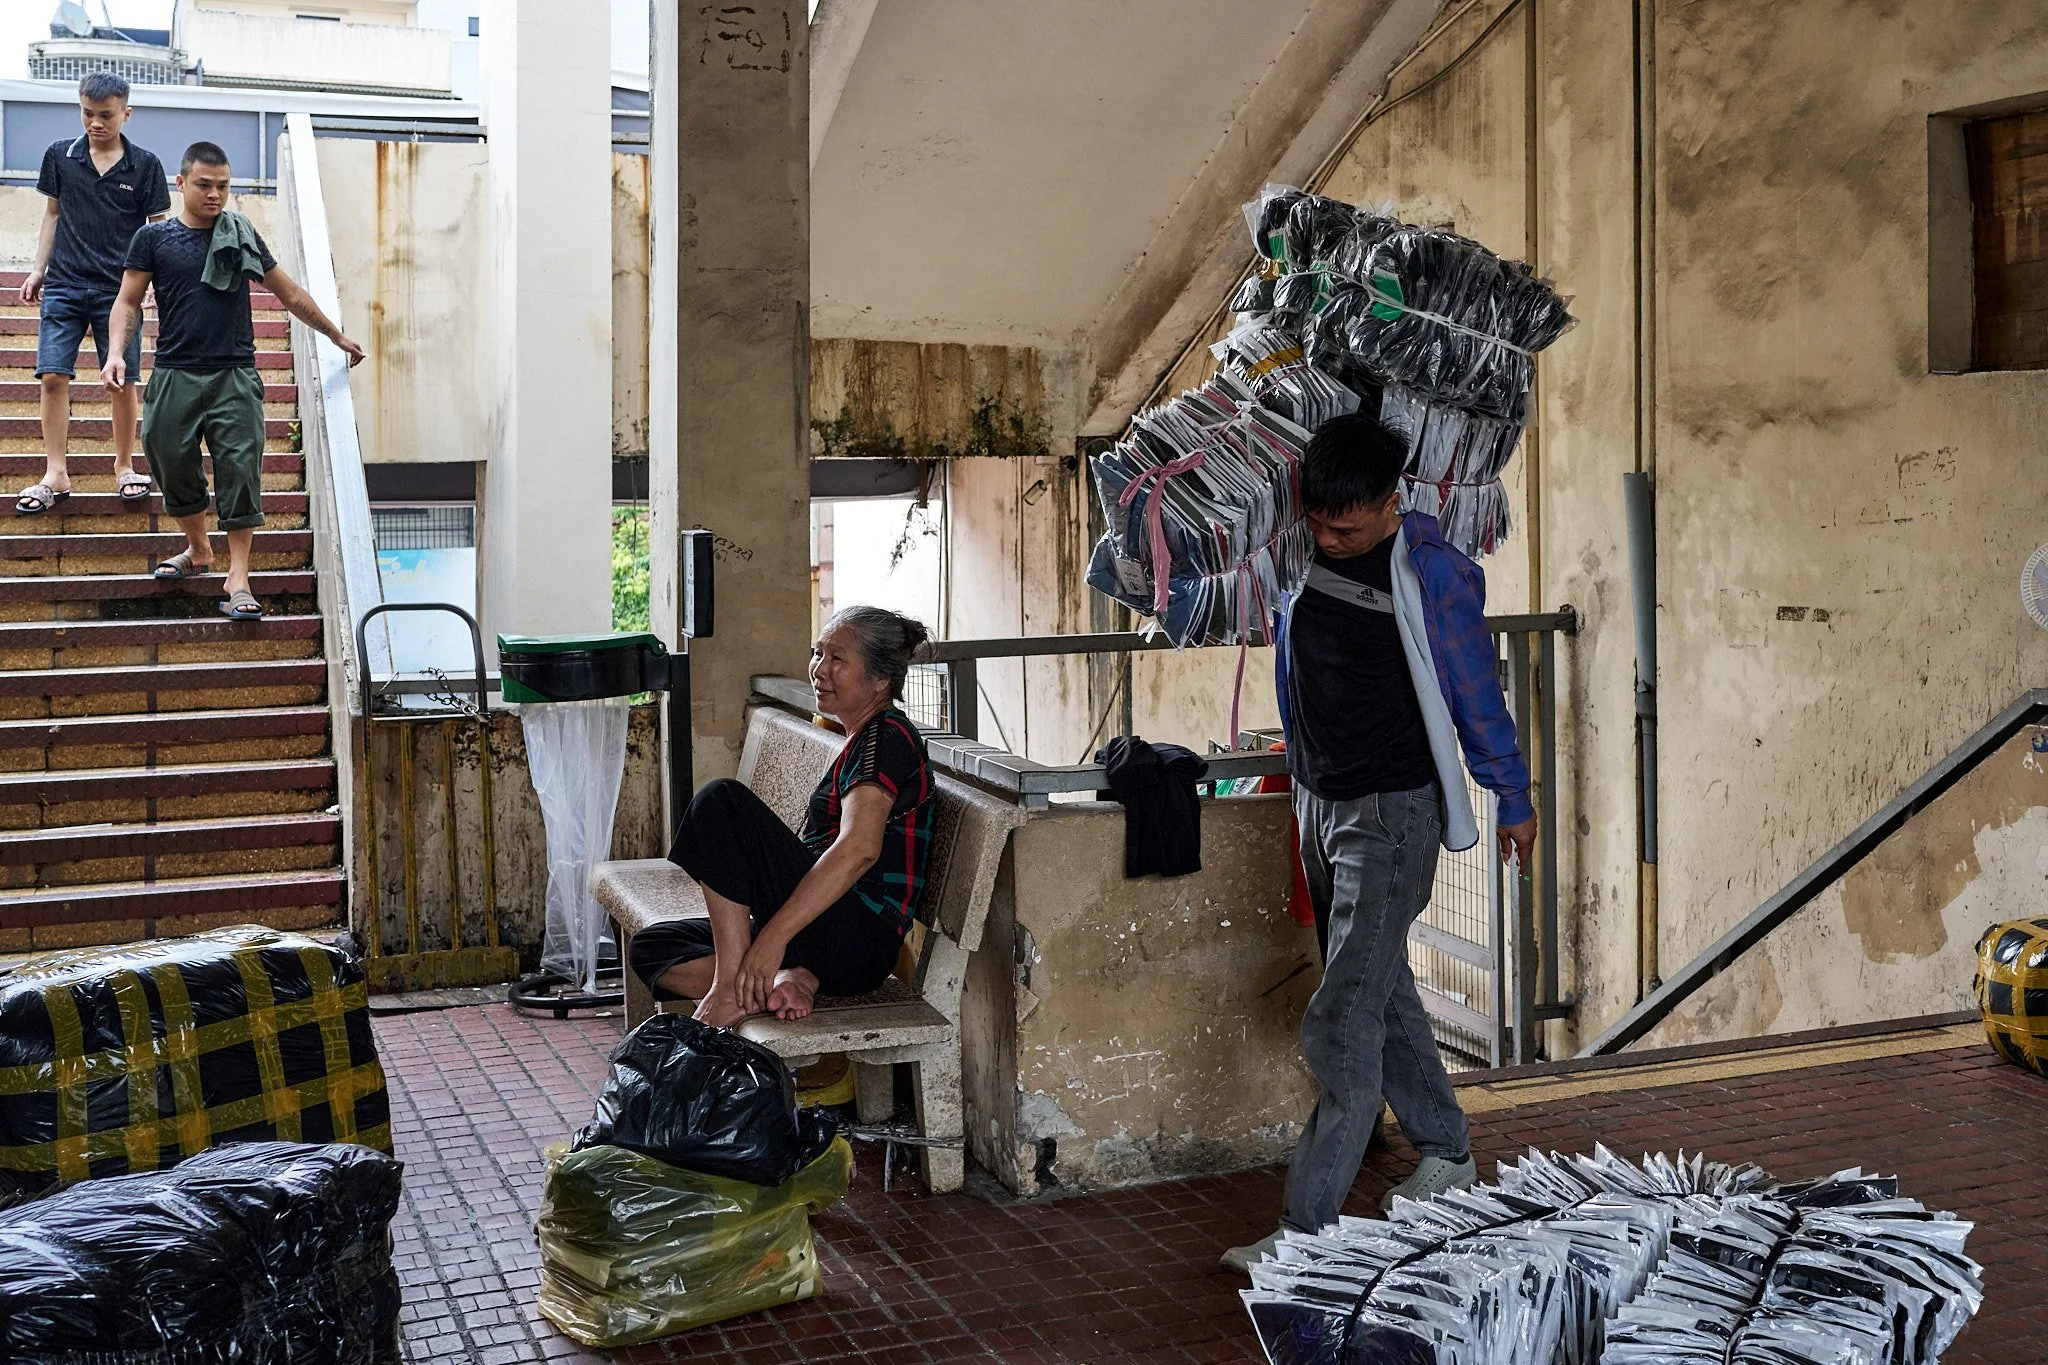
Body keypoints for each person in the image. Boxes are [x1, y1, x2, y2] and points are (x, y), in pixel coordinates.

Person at [1222, 411, 1538, 1272]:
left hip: (1392, 818)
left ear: (1391, 503)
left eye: (1348, 528)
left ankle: (1306, 1233)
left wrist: (1513, 795)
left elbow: (1476, 694)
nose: (1330, 539)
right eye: (1320, 523)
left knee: (1342, 1017)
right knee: (1382, 984)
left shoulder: (1433, 574)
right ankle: (1446, 1150)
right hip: (1319, 804)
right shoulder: (1301, 553)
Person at [630, 606, 936, 1026]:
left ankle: (730, 987)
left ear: (881, 679)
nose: (819, 669)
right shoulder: (865, 738)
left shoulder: (886, 738)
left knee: (720, 802)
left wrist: (772, 940)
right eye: (818, 653)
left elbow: (860, 848)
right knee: (653, 948)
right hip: (830, 937)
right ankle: (784, 980)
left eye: (837, 659)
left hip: (857, 935)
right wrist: (771, 948)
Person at [103, 142, 364, 622]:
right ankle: (199, 548)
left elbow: (289, 293)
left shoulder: (239, 234)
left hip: (234, 373)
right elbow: (127, 301)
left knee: (241, 471)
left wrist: (335, 335)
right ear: (181, 183)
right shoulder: (153, 239)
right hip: (175, 370)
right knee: (167, 456)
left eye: (223, 186)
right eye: (204, 185)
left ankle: (238, 577)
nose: (215, 195)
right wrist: (116, 353)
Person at [16, 73, 171, 515]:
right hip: (64, 283)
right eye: (87, 113)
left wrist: (154, 283)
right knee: (51, 376)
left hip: (119, 291)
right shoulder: (59, 156)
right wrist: (38, 269)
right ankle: (55, 473)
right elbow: (52, 213)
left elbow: (157, 228)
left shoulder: (145, 165)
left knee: (121, 380)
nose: (95, 123)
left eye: (105, 115)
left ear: (126, 113)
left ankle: (124, 466)